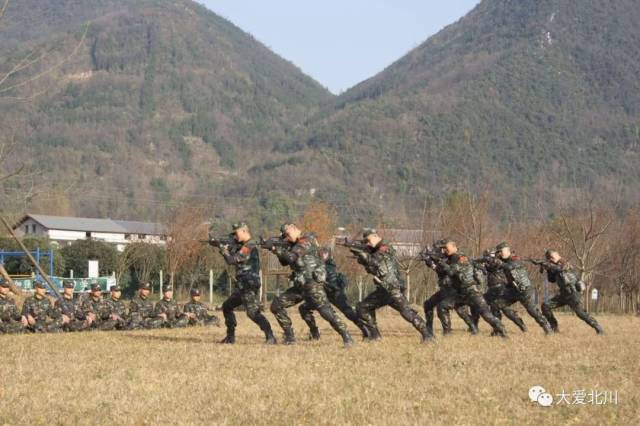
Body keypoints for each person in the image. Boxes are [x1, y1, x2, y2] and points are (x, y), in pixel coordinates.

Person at [270, 223, 353, 346]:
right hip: (301, 286)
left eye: (287, 235)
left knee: (325, 311)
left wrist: (278, 249)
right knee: (276, 305)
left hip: (313, 284)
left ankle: (346, 336)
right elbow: (284, 262)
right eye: (284, 237)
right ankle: (290, 337)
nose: (287, 238)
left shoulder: (306, 240)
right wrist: (275, 250)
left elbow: (292, 257)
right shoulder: (293, 245)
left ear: (294, 229)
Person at [352, 228, 433, 343]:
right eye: (365, 242)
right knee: (363, 307)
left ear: (375, 236)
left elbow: (376, 261)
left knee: (407, 312)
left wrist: (364, 255)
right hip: (383, 289)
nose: (367, 243)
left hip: (392, 288)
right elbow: (371, 268)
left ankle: (428, 336)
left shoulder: (385, 247)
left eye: (368, 241)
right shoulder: (374, 250)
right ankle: (375, 336)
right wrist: (361, 256)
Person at [217, 222, 275, 344]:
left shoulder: (249, 245)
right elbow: (234, 257)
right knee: (227, 306)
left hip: (249, 284)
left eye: (236, 233)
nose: (235, 236)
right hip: (243, 285)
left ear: (244, 231)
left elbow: (232, 260)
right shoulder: (242, 245)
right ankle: (230, 337)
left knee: (253, 312)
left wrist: (224, 250)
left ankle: (270, 336)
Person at [437, 240, 507, 338]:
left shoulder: (457, 258)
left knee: (486, 314)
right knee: (445, 306)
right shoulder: (458, 257)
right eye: (443, 249)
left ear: (454, 247)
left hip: (470, 291)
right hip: (463, 292)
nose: (445, 250)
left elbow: (451, 272)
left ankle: (501, 330)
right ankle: (450, 332)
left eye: (446, 248)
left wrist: (441, 263)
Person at [299, 247, 369, 339]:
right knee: (303, 308)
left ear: (329, 255)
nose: (323, 255)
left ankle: (365, 330)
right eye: (321, 253)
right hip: (322, 295)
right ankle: (314, 332)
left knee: (348, 312)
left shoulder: (329, 267)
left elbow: (329, 281)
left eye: (325, 253)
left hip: (335, 294)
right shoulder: (317, 264)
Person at [489, 242, 552, 334]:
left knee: (532, 310)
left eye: (501, 251)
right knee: (496, 304)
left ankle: (547, 327)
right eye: (498, 252)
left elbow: (511, 267)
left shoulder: (515, 258)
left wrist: (500, 263)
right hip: (513, 290)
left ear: (507, 250)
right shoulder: (502, 260)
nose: (499, 254)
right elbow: (492, 269)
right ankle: (498, 329)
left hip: (524, 290)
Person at [538, 249, 604, 334]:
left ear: (557, 254)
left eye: (552, 257)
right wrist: (546, 269)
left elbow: (562, 268)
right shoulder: (553, 266)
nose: (551, 259)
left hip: (573, 294)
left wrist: (550, 266)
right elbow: (551, 279)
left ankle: (598, 328)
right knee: (545, 306)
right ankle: (554, 328)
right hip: (563, 294)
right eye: (549, 258)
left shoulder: (564, 262)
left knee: (580, 313)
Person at [422, 240, 477, 336]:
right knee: (428, 305)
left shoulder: (456, 257)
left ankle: (448, 331)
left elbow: (447, 271)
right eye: (441, 249)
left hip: (452, 288)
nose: (442, 250)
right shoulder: (445, 257)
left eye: (443, 248)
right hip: (446, 288)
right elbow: (439, 270)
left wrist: (437, 261)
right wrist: (430, 262)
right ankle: (429, 330)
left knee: (451, 308)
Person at [472, 249, 527, 332]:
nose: (487, 258)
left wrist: (480, 263)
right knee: (503, 308)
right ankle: (519, 325)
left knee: (482, 304)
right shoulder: (492, 262)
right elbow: (483, 267)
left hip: (498, 288)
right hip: (495, 288)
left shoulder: (496, 262)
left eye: (488, 256)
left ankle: (491, 328)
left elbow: (490, 267)